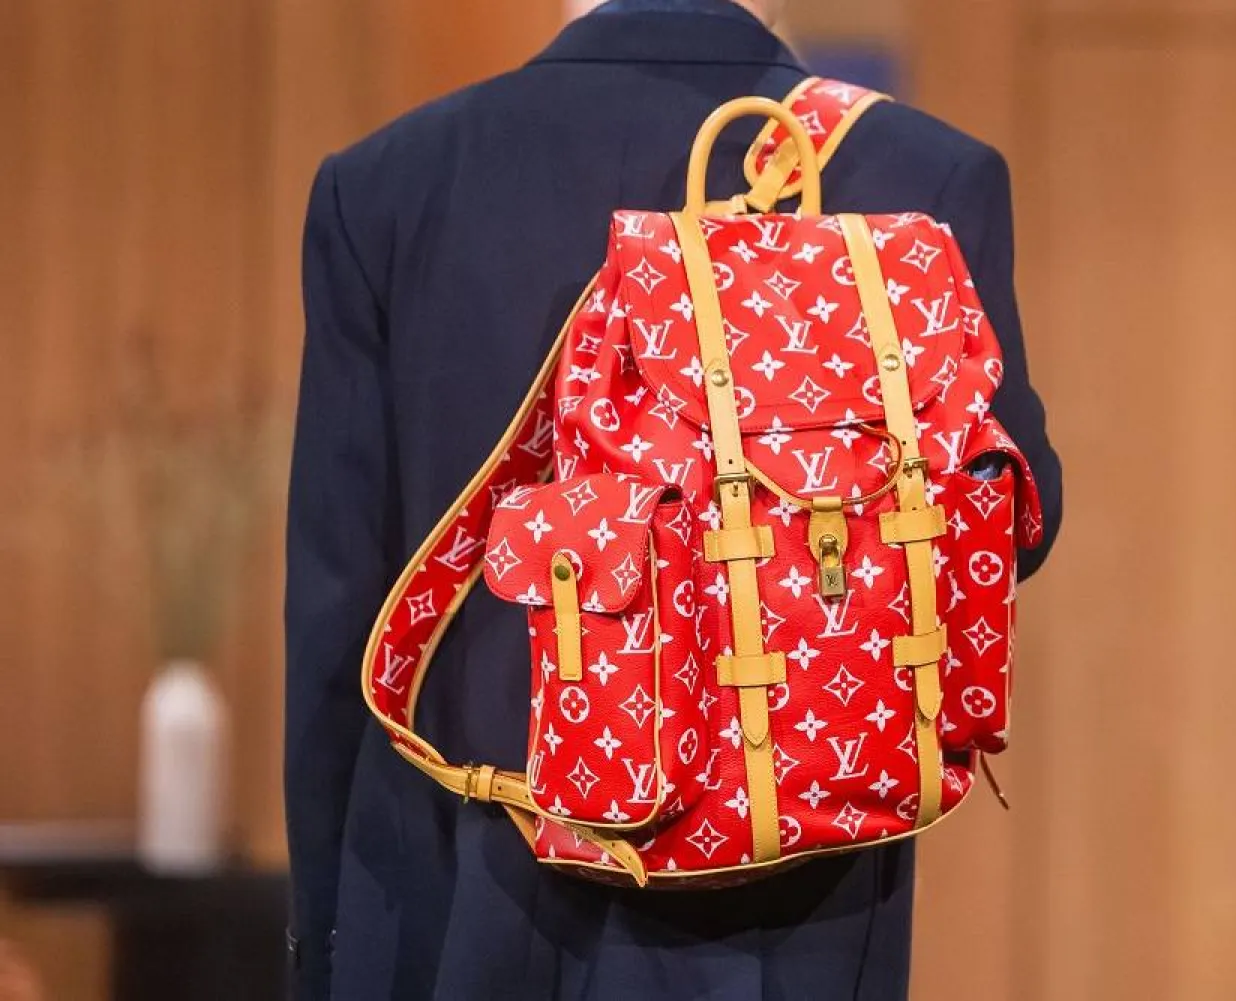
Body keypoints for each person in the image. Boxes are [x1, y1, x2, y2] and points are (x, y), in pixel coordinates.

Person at [284, 1, 1063, 998]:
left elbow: (338, 621)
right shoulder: (922, 176)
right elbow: (1007, 527)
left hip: (450, 907)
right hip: (801, 898)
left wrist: (318, 942)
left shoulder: (388, 185)